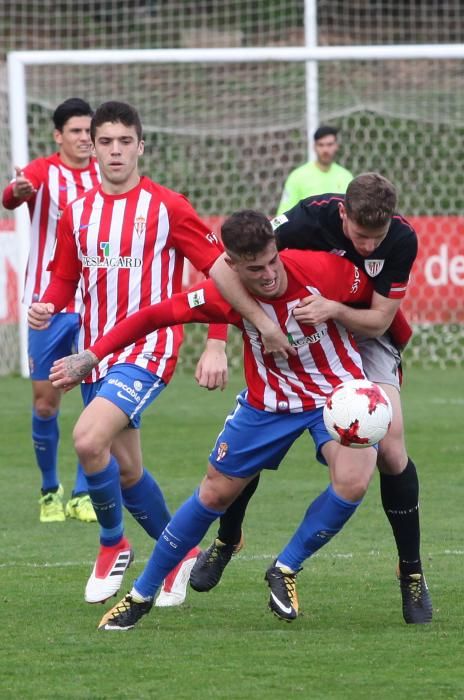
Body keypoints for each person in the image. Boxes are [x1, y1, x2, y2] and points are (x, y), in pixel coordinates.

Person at [49, 208, 381, 631]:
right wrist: (91, 357)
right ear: (232, 266)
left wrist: (339, 314)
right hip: (269, 403)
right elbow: (154, 316)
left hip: (337, 397)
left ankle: (285, 567)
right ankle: (141, 595)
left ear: (277, 249)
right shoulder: (223, 296)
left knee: (353, 480)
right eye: (253, 269)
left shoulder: (324, 269)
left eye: (271, 262)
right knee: (214, 495)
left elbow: (378, 306)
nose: (267, 276)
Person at [196, 173, 432, 626]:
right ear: (342, 214)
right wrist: (227, 336)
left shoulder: (401, 238)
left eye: (375, 238)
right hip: (299, 331)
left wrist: (332, 308)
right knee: (259, 436)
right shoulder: (305, 220)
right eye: (359, 236)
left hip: (361, 332)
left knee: (391, 445)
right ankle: (228, 539)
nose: (367, 247)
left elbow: (380, 321)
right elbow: (227, 267)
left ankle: (412, 572)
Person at [27, 100, 229, 609]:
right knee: (126, 470)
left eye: (124, 142)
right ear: (91, 148)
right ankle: (180, 551)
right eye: (105, 142)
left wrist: (218, 342)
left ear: (141, 146)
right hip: (95, 353)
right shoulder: (79, 212)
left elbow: (224, 272)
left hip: (149, 350)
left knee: (86, 439)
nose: (115, 151)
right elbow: (65, 276)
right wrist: (49, 302)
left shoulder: (167, 207)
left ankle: (113, 542)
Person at [2, 98, 100, 524]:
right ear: (58, 135)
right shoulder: (44, 172)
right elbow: (11, 194)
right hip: (48, 303)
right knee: (46, 402)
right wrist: (16, 191)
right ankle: (49, 490)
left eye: (88, 131)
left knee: (96, 399)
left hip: (96, 304)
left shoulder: (107, 175)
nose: (84, 138)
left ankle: (83, 493)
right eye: (75, 131)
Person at [276, 125, 353, 215]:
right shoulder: (297, 176)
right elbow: (284, 215)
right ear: (314, 147)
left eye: (329, 144)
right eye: (321, 145)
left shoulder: (346, 177)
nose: (325, 150)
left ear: (336, 146)